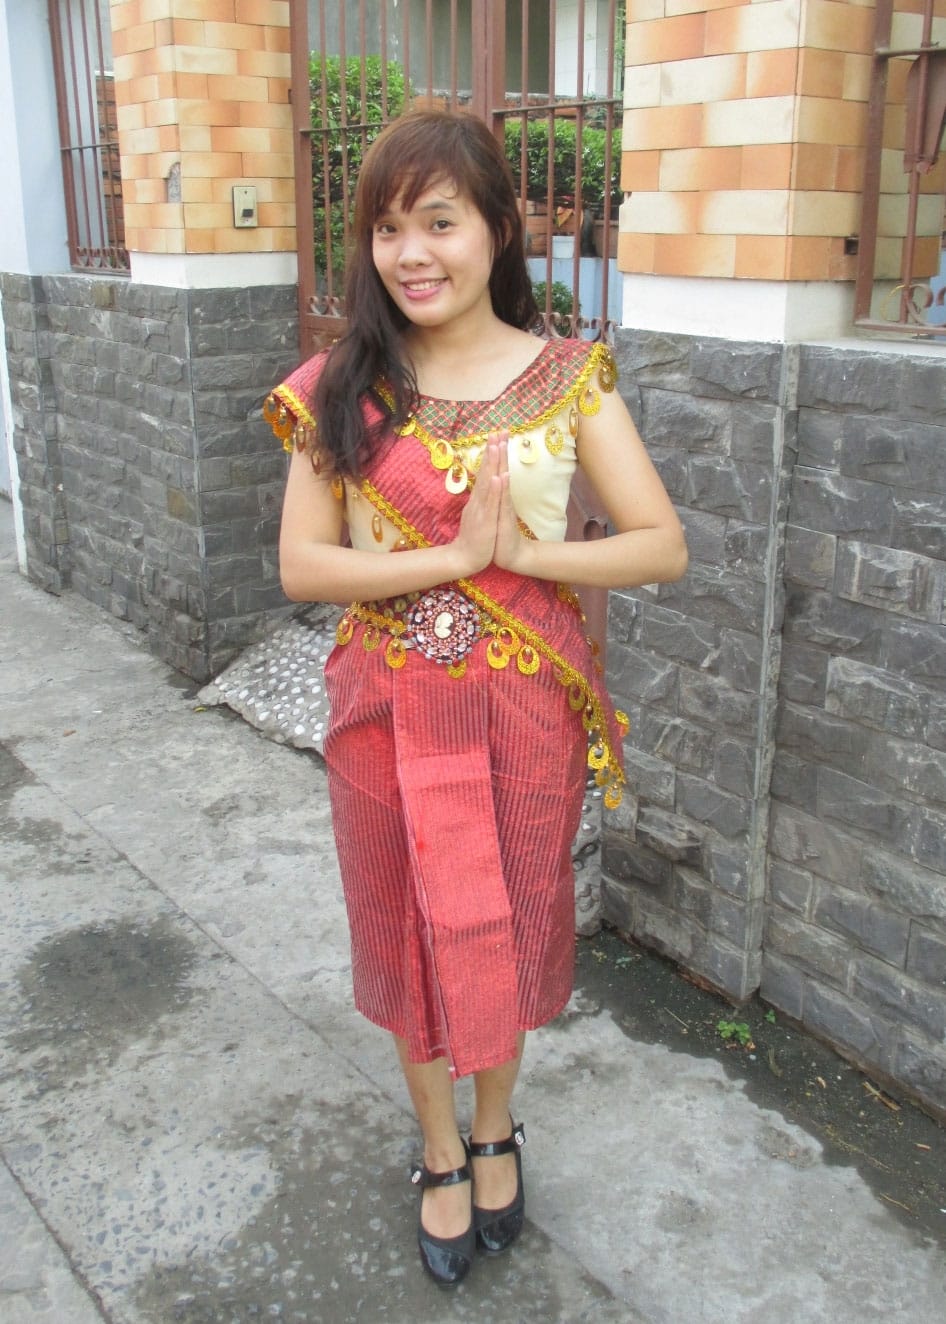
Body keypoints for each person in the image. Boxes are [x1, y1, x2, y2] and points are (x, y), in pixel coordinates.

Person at [266, 108, 687, 1290]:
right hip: (382, 709)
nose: (411, 253)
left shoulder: (566, 378)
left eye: (439, 222)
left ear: (497, 229)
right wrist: (450, 560)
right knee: (403, 919)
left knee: (505, 919)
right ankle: (440, 1147)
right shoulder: (340, 385)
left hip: (521, 710)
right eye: (386, 227)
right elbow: (302, 566)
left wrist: (526, 557)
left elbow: (660, 543)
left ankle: (495, 1127)